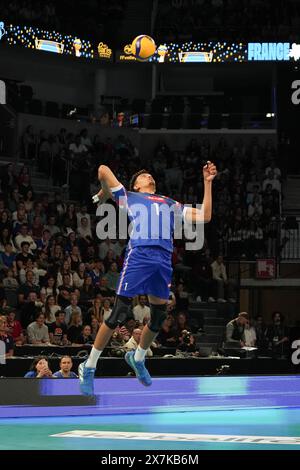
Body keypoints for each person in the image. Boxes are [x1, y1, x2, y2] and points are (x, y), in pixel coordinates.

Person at [79, 161, 217, 395]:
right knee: (119, 313)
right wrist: (105, 191)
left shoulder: (170, 202)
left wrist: (207, 182)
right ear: (136, 185)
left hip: (163, 259)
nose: (149, 176)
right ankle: (89, 365)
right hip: (140, 255)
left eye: (151, 175)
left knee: (159, 316)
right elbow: (102, 169)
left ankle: (138, 357)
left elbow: (204, 215)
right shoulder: (128, 196)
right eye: (144, 176)